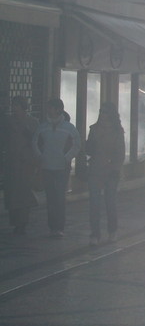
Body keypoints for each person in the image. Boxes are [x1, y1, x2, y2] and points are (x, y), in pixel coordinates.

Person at [32, 98, 81, 238]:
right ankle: (52, 226)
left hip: (62, 168)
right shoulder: (43, 127)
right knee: (50, 198)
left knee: (59, 197)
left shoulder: (69, 128)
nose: (48, 110)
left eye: (51, 107)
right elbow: (35, 142)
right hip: (47, 167)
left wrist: (67, 158)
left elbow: (77, 144)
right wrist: (40, 156)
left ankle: (59, 227)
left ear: (58, 109)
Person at [86, 102, 127, 245]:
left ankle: (112, 230)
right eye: (101, 112)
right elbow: (89, 148)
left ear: (111, 114)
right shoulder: (94, 129)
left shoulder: (117, 131)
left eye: (105, 112)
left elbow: (120, 152)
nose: (102, 115)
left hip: (111, 172)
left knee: (110, 202)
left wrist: (115, 169)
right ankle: (95, 234)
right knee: (94, 204)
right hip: (95, 170)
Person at [3, 97, 38, 235]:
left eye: (16, 105)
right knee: (11, 192)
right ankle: (15, 221)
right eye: (13, 105)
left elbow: (36, 141)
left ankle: (22, 222)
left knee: (23, 192)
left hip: (25, 162)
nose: (14, 108)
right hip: (11, 161)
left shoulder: (32, 122)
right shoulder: (8, 121)